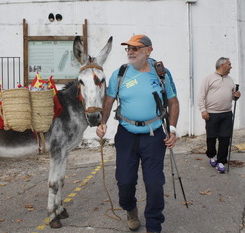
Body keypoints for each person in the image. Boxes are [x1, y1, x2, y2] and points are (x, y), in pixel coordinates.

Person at [96, 34, 179, 233]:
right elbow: (109, 100)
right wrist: (103, 122)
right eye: (128, 49)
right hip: (126, 134)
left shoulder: (161, 73)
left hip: (154, 135)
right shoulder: (120, 73)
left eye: (135, 48)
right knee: (125, 181)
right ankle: (130, 208)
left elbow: (173, 102)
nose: (130, 52)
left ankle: (153, 225)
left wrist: (173, 129)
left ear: (149, 50)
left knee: (155, 184)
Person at [198, 57, 241, 173]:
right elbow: (201, 96)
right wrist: (203, 110)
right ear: (222, 65)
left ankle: (221, 161)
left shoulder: (230, 79)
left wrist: (236, 95)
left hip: (227, 114)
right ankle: (212, 155)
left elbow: (232, 96)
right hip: (212, 114)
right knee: (211, 138)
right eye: (229, 64)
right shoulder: (208, 78)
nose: (231, 66)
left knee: (225, 138)